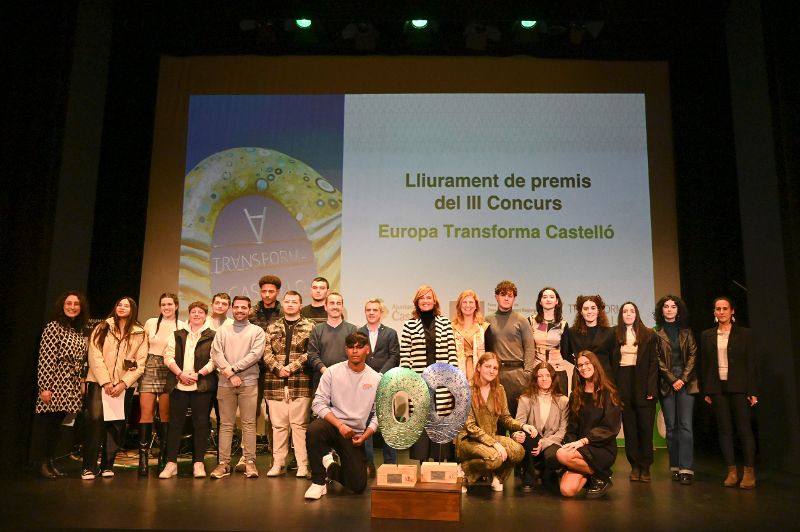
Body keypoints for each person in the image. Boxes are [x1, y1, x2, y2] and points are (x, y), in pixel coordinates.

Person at [304, 332, 381, 500]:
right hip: (333, 426)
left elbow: (379, 414)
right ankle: (318, 482)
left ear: (367, 349)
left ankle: (330, 467)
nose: (355, 351)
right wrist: (339, 425)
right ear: (346, 350)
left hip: (354, 434)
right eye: (351, 347)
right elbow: (318, 403)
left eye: (359, 347)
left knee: (358, 485)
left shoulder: (376, 378)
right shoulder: (332, 372)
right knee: (314, 429)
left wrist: (366, 435)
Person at [82, 297, 148, 480]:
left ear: (132, 309)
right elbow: (94, 356)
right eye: (119, 304)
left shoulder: (140, 332)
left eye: (126, 305)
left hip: (123, 385)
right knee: (95, 421)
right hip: (98, 382)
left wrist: (123, 383)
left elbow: (141, 364)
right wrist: (106, 382)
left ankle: (108, 465)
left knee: (116, 424)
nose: (121, 307)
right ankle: (88, 467)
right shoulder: (102, 327)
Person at [700, 296, 759, 489]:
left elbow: (751, 363)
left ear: (732, 311)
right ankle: (732, 471)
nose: (722, 312)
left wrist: (752, 390)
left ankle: (749, 472)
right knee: (724, 430)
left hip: (739, 387)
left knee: (744, 429)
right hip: (717, 388)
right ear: (714, 312)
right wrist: (706, 389)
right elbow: (705, 364)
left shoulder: (744, 334)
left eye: (725, 308)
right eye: (718, 309)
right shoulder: (707, 335)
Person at [456, 352, 533, 493]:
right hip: (468, 440)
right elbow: (470, 426)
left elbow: (505, 418)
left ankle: (497, 476)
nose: (491, 371)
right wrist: (495, 444)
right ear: (478, 367)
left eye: (495, 368)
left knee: (518, 451)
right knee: (494, 458)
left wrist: (522, 425)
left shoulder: (499, 389)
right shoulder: (465, 389)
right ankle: (464, 471)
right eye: (487, 366)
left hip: (490, 437)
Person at [31, 292, 89, 479]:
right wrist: (45, 387)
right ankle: (40, 463)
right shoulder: (53, 327)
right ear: (62, 306)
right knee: (46, 425)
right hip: (55, 382)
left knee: (56, 427)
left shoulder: (77, 330)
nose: (72, 307)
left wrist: (80, 382)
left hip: (70, 385)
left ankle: (50, 461)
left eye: (76, 304)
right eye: (68, 303)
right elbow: (46, 359)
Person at [399, 285, 458, 462]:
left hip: (441, 382)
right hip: (419, 381)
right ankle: (423, 462)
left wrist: (452, 383)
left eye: (429, 297)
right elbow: (405, 356)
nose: (425, 301)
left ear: (434, 301)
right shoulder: (409, 325)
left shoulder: (445, 323)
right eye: (422, 298)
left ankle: (440, 463)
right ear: (417, 302)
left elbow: (452, 354)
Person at [209, 296, 266, 479]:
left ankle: (249, 462)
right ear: (232, 309)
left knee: (249, 424)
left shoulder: (256, 331)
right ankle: (223, 464)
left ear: (249, 309)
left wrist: (232, 369)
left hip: (248, 383)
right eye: (237, 307)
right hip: (225, 383)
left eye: (244, 307)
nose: (240, 310)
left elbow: (255, 354)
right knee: (225, 425)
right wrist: (230, 374)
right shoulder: (222, 331)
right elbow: (216, 353)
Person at [159, 301, 217, 479]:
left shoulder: (213, 335)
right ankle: (171, 464)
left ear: (205, 315)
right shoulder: (177, 335)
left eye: (200, 312)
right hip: (179, 385)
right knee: (175, 425)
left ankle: (198, 463)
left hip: (201, 385)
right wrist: (180, 374)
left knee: (200, 424)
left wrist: (199, 374)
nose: (197, 315)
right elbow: (167, 356)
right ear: (189, 314)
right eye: (194, 312)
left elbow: (215, 359)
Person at [262, 291, 315, 479]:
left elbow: (311, 352)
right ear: (282, 304)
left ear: (301, 305)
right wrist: (278, 368)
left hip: (300, 383)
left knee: (299, 426)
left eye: (295, 301)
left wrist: (291, 367)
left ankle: (302, 465)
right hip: (275, 383)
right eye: (287, 301)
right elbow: (266, 352)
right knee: (278, 426)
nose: (290, 304)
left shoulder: (310, 326)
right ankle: (278, 463)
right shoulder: (272, 327)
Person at [556, 350, 622, 498]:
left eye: (587, 363)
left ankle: (598, 474)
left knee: (561, 455)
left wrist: (584, 441)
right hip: (580, 449)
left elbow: (610, 427)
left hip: (601, 448)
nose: (584, 367)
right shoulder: (576, 395)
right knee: (567, 490)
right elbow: (572, 427)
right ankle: (599, 476)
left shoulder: (609, 393)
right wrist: (570, 443)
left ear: (595, 365)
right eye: (580, 365)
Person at [653, 294, 699, 484]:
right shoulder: (655, 333)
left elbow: (693, 357)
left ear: (678, 310)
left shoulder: (687, 332)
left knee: (685, 426)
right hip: (666, 381)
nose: (670, 309)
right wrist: (672, 379)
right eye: (666, 306)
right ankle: (675, 466)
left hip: (687, 381)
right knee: (671, 427)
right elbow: (657, 359)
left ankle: (686, 469)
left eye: (673, 306)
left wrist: (682, 379)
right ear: (661, 310)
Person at [139, 292, 186, 475]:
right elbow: (142, 346)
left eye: (170, 304)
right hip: (150, 366)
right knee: (146, 413)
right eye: (163, 304)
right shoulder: (151, 322)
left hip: (170, 368)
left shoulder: (182, 326)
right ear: (160, 306)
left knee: (165, 415)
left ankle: (163, 457)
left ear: (176, 306)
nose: (167, 307)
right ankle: (143, 459)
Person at [612, 302, 658, 482]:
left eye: (632, 311)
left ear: (637, 313)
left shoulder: (649, 334)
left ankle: (646, 466)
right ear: (621, 314)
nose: (628, 314)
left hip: (643, 384)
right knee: (630, 428)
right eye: (625, 311)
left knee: (645, 428)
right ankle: (635, 466)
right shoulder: (615, 334)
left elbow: (654, 363)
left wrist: (651, 388)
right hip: (623, 382)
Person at [359, 297, 400, 474]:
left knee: (387, 426)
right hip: (364, 385)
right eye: (368, 310)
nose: (371, 313)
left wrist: (380, 374)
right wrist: (369, 375)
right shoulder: (358, 332)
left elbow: (394, 356)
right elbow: (357, 356)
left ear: (381, 313)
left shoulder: (390, 333)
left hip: (386, 383)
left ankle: (390, 466)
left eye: (375, 310)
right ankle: (368, 465)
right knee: (365, 425)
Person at [513, 362, 569, 491]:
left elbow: (562, 431)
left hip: (552, 441)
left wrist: (544, 443)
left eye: (547, 375)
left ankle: (548, 473)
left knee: (553, 456)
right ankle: (529, 478)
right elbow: (518, 423)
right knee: (527, 436)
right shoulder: (525, 399)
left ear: (553, 378)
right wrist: (518, 434)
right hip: (532, 440)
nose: (544, 379)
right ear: (535, 379)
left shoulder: (563, 401)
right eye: (540, 376)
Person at [485, 280, 535, 417]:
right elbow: (485, 350)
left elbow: (530, 349)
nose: (506, 298)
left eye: (510, 295)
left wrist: (527, 374)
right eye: (503, 294)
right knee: (496, 415)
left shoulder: (521, 320)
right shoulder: (487, 321)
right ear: (496, 297)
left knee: (517, 418)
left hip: (518, 375)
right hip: (495, 374)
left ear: (514, 299)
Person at [306, 292, 358, 390]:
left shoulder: (352, 330)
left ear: (342, 307)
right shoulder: (317, 329)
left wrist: (343, 373)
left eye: (338, 303)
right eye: (332, 303)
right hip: (321, 381)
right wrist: (325, 371)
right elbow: (312, 354)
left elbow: (355, 354)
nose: (335, 306)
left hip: (347, 381)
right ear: (325, 307)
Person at [528, 287, 572, 394]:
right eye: (545, 297)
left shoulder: (563, 324)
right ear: (540, 301)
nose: (548, 299)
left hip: (557, 369)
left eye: (552, 297)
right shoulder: (531, 321)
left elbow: (565, 352)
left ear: (557, 301)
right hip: (536, 368)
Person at [569, 294, 616, 381]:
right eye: (585, 309)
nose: (589, 311)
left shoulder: (610, 332)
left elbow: (614, 358)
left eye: (593, 308)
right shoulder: (572, 332)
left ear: (598, 311)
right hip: (582, 378)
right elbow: (565, 353)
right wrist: (580, 364)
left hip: (605, 379)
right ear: (581, 312)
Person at [452, 289, 489, 382]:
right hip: (457, 375)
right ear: (459, 305)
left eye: (471, 302)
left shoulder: (484, 327)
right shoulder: (451, 327)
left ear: (476, 305)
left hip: (479, 373)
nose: (467, 305)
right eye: (464, 302)